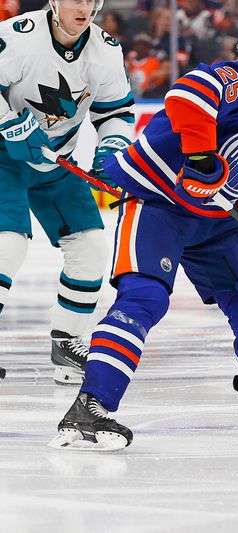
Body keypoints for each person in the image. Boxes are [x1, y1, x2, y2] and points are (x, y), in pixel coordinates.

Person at [50, 5, 238, 451]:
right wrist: (202, 157)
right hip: (159, 202)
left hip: (215, 219)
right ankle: (90, 409)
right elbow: (191, 93)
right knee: (144, 298)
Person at [0, 0, 135, 384]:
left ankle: (68, 341)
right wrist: (9, 123)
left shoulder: (106, 51)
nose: (84, 7)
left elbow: (116, 113)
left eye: (91, 0)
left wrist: (112, 149)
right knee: (7, 245)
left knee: (91, 246)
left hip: (57, 160)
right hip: (3, 157)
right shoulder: (17, 36)